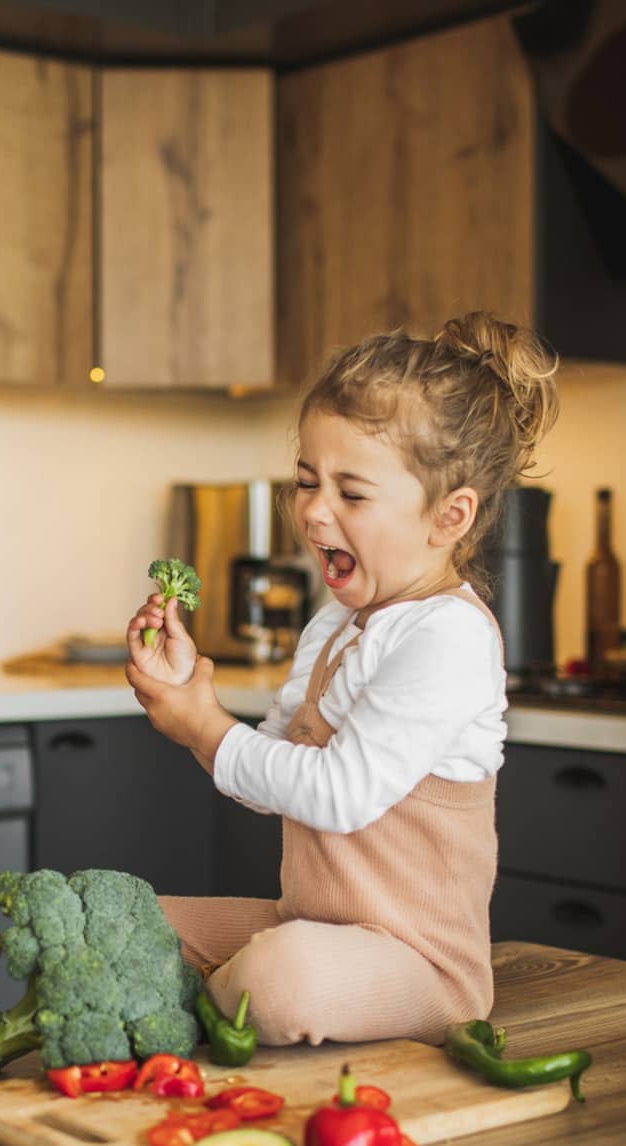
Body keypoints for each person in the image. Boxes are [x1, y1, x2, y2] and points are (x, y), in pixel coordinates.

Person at [124, 312, 560, 1045]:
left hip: (417, 964)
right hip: (314, 926)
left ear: (450, 516)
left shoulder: (447, 635)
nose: (314, 511)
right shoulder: (335, 622)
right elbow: (269, 778)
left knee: (281, 980)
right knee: (130, 920)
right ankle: (215, 1005)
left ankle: (194, 1020)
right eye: (305, 481)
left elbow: (341, 795)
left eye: (351, 494)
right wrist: (193, 704)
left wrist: (206, 728)